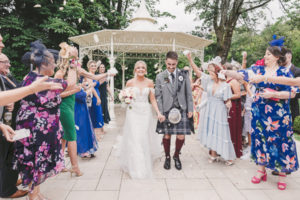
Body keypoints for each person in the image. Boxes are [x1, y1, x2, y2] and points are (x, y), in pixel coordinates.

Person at [224, 36, 299, 190]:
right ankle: (261, 171)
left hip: (279, 115)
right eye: (265, 54)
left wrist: (275, 95)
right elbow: (242, 75)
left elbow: (293, 92)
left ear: (277, 57)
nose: (265, 57)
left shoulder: (284, 72)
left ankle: (282, 173)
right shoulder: (258, 69)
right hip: (260, 113)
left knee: (280, 142)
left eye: (268, 54)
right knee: (260, 140)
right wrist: (225, 71)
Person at [12, 41, 76, 200]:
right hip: (39, 127)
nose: (55, 67)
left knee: (31, 158)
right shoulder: (46, 82)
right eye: (53, 63)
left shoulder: (29, 76)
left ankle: (35, 192)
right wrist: (73, 62)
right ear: (45, 64)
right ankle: (33, 196)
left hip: (25, 123)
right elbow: (72, 83)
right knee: (38, 159)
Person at [187, 54, 236, 165]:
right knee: (211, 131)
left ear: (218, 72)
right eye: (208, 71)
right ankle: (213, 155)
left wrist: (229, 103)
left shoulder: (225, 86)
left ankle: (228, 157)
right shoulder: (209, 81)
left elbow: (228, 100)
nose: (209, 73)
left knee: (221, 132)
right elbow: (198, 72)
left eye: (211, 72)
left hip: (220, 110)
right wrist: (190, 60)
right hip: (210, 109)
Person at [117, 60, 162, 178]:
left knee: (143, 137)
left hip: (145, 112)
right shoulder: (130, 82)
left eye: (143, 67)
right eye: (138, 68)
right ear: (135, 70)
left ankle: (144, 161)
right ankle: (136, 166)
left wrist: (158, 112)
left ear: (146, 70)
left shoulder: (150, 83)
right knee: (135, 138)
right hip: (133, 112)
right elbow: (125, 98)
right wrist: (125, 99)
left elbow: (152, 99)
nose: (141, 69)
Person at [155, 51, 193, 170]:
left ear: (177, 63)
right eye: (169, 64)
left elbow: (188, 93)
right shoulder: (161, 76)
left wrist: (190, 108)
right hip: (166, 109)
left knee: (181, 135)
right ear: (166, 62)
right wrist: (160, 112)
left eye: (174, 64)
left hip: (181, 108)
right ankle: (167, 157)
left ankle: (176, 156)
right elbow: (158, 96)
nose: (171, 67)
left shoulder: (183, 74)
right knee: (167, 135)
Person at [75, 79, 98, 159]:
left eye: (86, 81)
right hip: (77, 110)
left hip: (83, 109)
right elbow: (81, 96)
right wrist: (90, 88)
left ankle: (89, 149)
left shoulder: (79, 87)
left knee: (87, 128)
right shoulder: (74, 87)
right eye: (84, 81)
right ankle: (83, 150)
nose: (85, 83)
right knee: (81, 129)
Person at [225, 63, 243, 158]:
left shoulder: (233, 81)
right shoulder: (224, 80)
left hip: (232, 108)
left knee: (231, 128)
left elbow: (238, 94)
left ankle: (233, 151)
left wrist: (226, 97)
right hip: (225, 107)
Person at [86, 60, 104, 135]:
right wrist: (98, 98)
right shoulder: (88, 75)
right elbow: (91, 88)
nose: (93, 67)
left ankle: (97, 134)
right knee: (95, 114)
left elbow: (97, 84)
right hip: (93, 96)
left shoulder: (95, 76)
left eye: (94, 66)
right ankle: (95, 135)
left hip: (97, 94)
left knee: (98, 114)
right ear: (88, 67)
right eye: (92, 66)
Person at [98, 63, 113, 129]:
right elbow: (96, 85)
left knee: (105, 109)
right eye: (101, 67)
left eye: (103, 67)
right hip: (98, 95)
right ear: (98, 69)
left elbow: (107, 86)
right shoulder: (96, 76)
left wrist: (111, 95)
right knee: (99, 110)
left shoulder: (106, 77)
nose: (102, 68)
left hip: (104, 95)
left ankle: (103, 126)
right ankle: (99, 126)